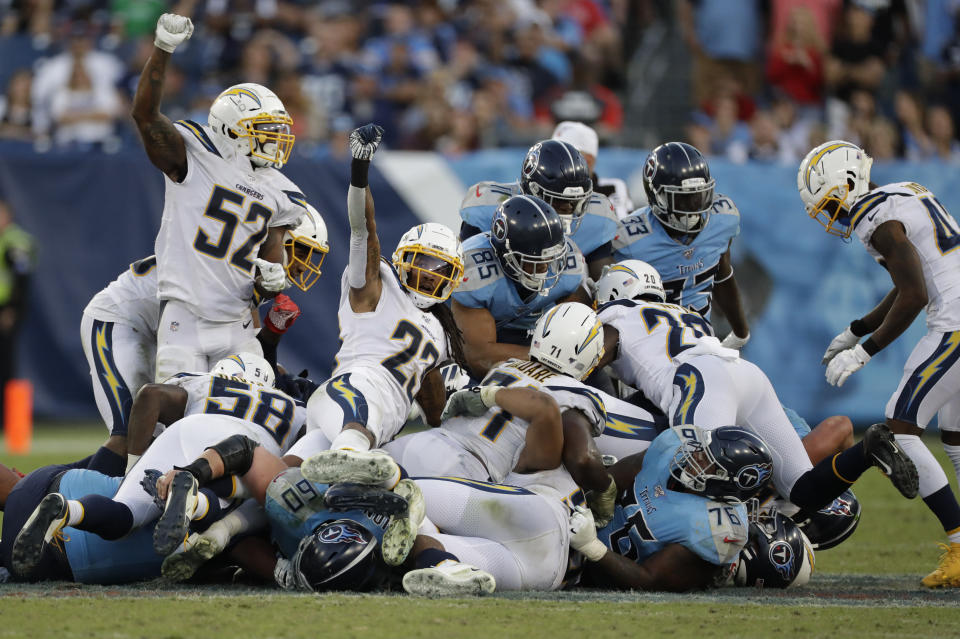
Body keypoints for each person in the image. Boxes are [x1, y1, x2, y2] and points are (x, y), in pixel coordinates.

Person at [592, 258, 918, 516]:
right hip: (744, 372)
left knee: (694, 475)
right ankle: (866, 451)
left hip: (698, 378)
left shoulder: (615, 315)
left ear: (611, 293)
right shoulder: (686, 313)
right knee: (802, 490)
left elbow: (587, 358)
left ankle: (718, 548)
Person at [797, 139, 960, 588]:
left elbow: (915, 294)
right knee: (954, 436)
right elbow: (913, 275)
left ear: (848, 184)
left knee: (899, 431)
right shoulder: (903, 192)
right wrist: (856, 328)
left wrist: (864, 351)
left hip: (953, 324)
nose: (830, 216)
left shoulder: (874, 216)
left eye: (829, 203)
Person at [131, 13, 310, 382]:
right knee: (176, 417)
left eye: (278, 130)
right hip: (185, 314)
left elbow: (266, 269)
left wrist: (272, 280)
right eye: (265, 130)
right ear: (232, 129)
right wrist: (163, 48)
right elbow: (145, 114)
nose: (276, 138)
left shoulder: (282, 192)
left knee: (244, 421)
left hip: (238, 324)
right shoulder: (194, 156)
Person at [8, 353, 301, 577]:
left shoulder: (202, 380)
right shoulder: (293, 409)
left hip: (186, 429)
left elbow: (150, 394)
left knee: (124, 515)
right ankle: (193, 501)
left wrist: (132, 467)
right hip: (239, 446)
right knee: (247, 495)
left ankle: (68, 510)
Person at [301, 123, 467, 486]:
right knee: (358, 462)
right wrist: (360, 170)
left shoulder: (441, 331)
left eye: (439, 270)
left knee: (286, 476)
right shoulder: (378, 285)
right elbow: (363, 228)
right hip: (354, 392)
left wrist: (443, 425)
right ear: (402, 259)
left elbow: (432, 396)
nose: (427, 276)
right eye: (421, 264)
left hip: (379, 421)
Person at [572, 424, 772, 591]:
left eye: (708, 461)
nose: (696, 455)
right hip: (583, 520)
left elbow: (650, 580)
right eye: (703, 449)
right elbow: (616, 478)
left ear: (726, 484)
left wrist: (592, 547)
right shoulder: (674, 448)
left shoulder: (716, 527)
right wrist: (599, 491)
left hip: (597, 574)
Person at [612, 142, 749, 348]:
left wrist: (741, 333)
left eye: (698, 196)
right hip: (647, 346)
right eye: (682, 200)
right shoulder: (628, 239)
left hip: (700, 341)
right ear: (656, 196)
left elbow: (723, 274)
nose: (693, 208)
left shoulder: (722, 219)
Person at [451, 194, 589, 378]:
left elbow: (582, 331)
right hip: (482, 344)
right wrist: (550, 359)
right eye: (534, 261)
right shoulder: (473, 271)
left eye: (549, 259)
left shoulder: (567, 266)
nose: (544, 267)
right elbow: (480, 358)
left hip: (534, 336)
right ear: (505, 253)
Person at [458, 139, 618, 280]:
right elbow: (466, 272)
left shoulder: (597, 216)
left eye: (575, 202)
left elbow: (603, 279)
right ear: (533, 190)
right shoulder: (488, 206)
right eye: (558, 201)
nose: (568, 210)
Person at [551, 121, 634, 219]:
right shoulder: (542, 186)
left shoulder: (611, 189)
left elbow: (618, 227)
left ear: (588, 160)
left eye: (564, 154)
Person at [0, 199, 34, 426]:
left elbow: (22, 279)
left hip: (5, 309)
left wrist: (13, 308)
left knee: (5, 364)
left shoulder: (16, 241)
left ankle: (8, 420)